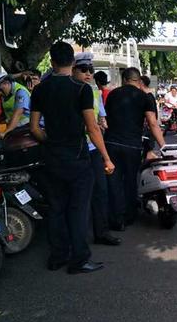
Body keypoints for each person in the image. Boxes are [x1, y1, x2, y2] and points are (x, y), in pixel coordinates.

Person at [30, 41, 114, 274]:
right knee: (78, 209)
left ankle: (58, 256)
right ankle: (78, 260)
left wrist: (49, 141)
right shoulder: (81, 89)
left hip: (51, 157)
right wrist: (106, 158)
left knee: (56, 207)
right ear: (73, 62)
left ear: (52, 61)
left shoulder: (40, 89)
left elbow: (34, 128)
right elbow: (92, 128)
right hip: (77, 157)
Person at [105, 67, 166, 230]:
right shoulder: (144, 97)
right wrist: (164, 146)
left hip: (111, 143)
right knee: (131, 180)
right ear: (138, 81)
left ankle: (116, 219)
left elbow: (106, 119)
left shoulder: (112, 94)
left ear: (124, 79)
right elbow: (153, 123)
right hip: (132, 145)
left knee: (114, 182)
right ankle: (129, 216)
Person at [72, 52, 121, 247]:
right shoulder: (68, 90)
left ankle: (101, 232)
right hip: (75, 149)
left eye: (91, 70)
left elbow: (101, 120)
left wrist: (102, 122)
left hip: (92, 148)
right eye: (83, 70)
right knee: (77, 196)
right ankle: (78, 240)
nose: (88, 74)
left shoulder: (94, 92)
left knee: (101, 190)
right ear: (73, 70)